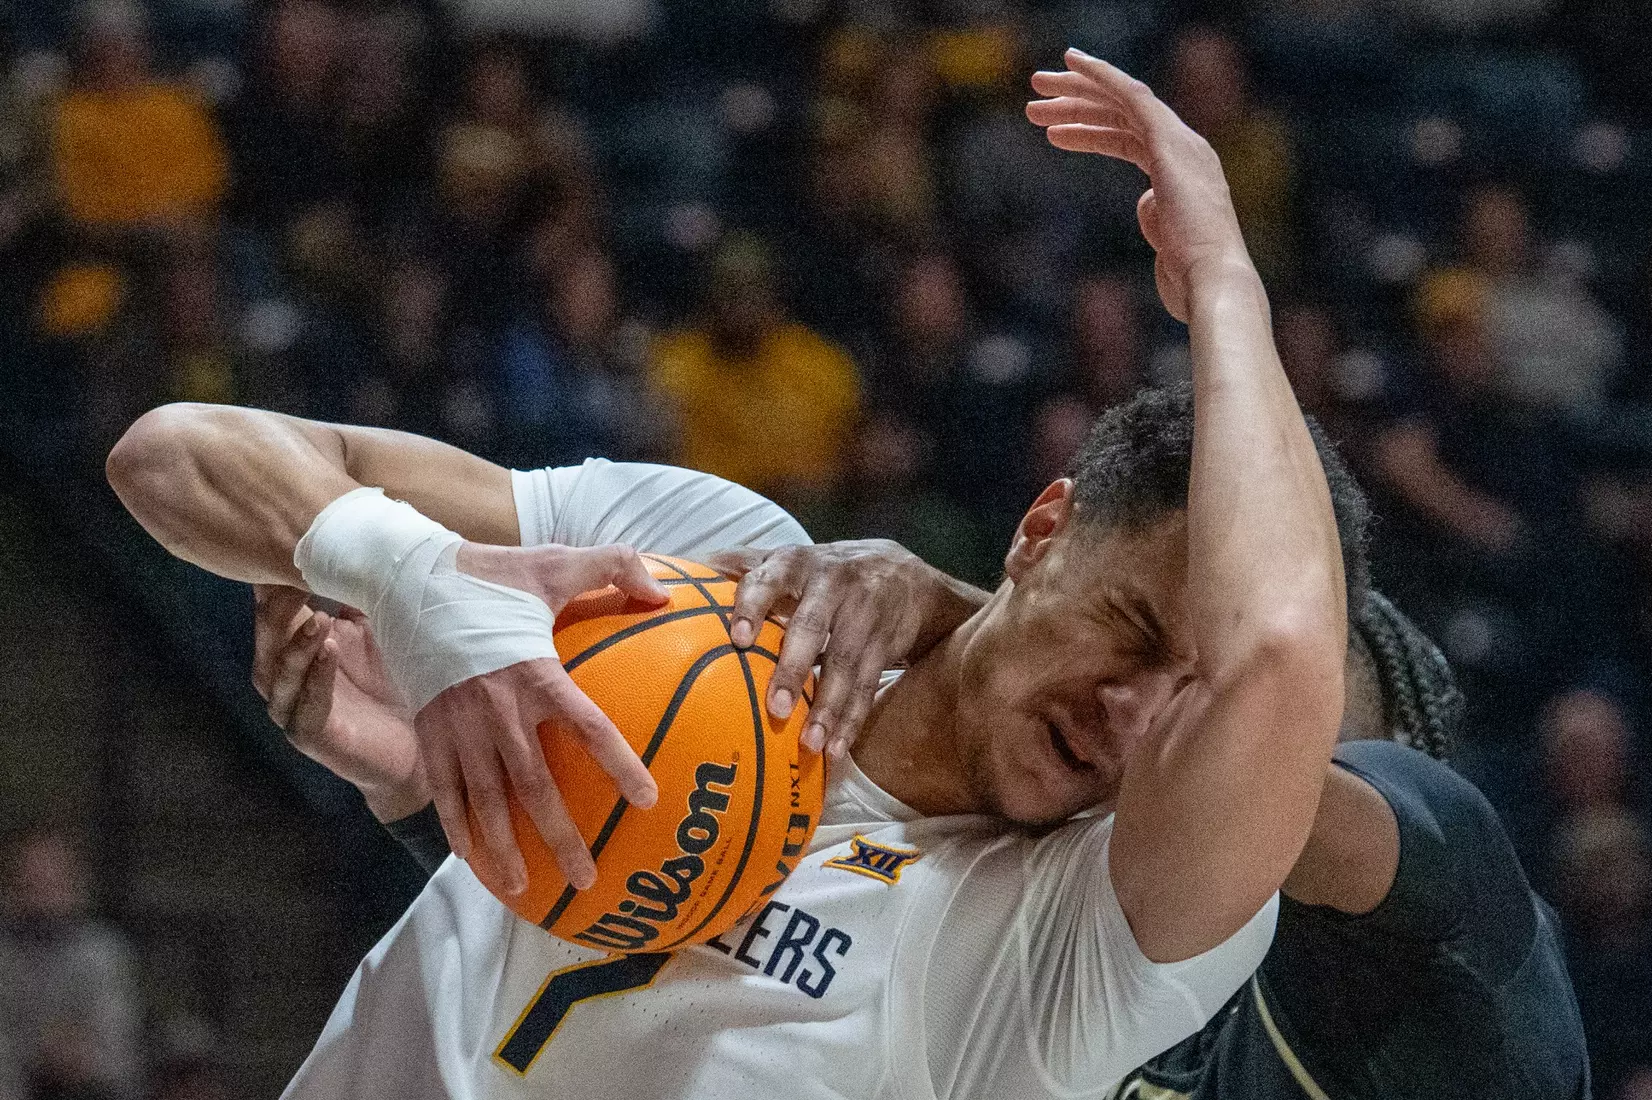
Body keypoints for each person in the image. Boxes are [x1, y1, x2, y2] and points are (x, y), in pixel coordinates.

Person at [106, 53, 1363, 1098]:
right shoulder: (711, 557)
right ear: (1041, 528)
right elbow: (168, 456)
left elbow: (1275, 658)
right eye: (1129, 622)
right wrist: (416, 578)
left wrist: (1224, 289)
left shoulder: (1089, 924)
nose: (1129, 708)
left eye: (1181, 689)